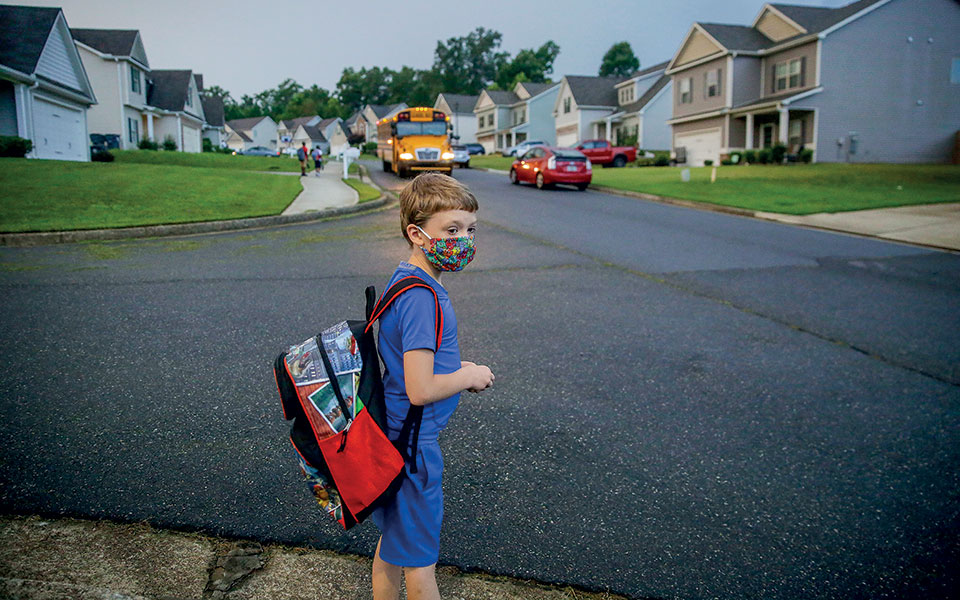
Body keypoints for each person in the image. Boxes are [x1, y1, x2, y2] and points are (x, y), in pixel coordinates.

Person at [370, 173, 495, 600]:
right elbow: (420, 389)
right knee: (421, 565)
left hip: (394, 433)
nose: (464, 240)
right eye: (452, 230)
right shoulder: (422, 297)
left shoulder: (405, 279)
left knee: (393, 545)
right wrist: (468, 375)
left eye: (470, 229)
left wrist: (457, 366)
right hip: (413, 446)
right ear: (417, 234)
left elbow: (414, 360)